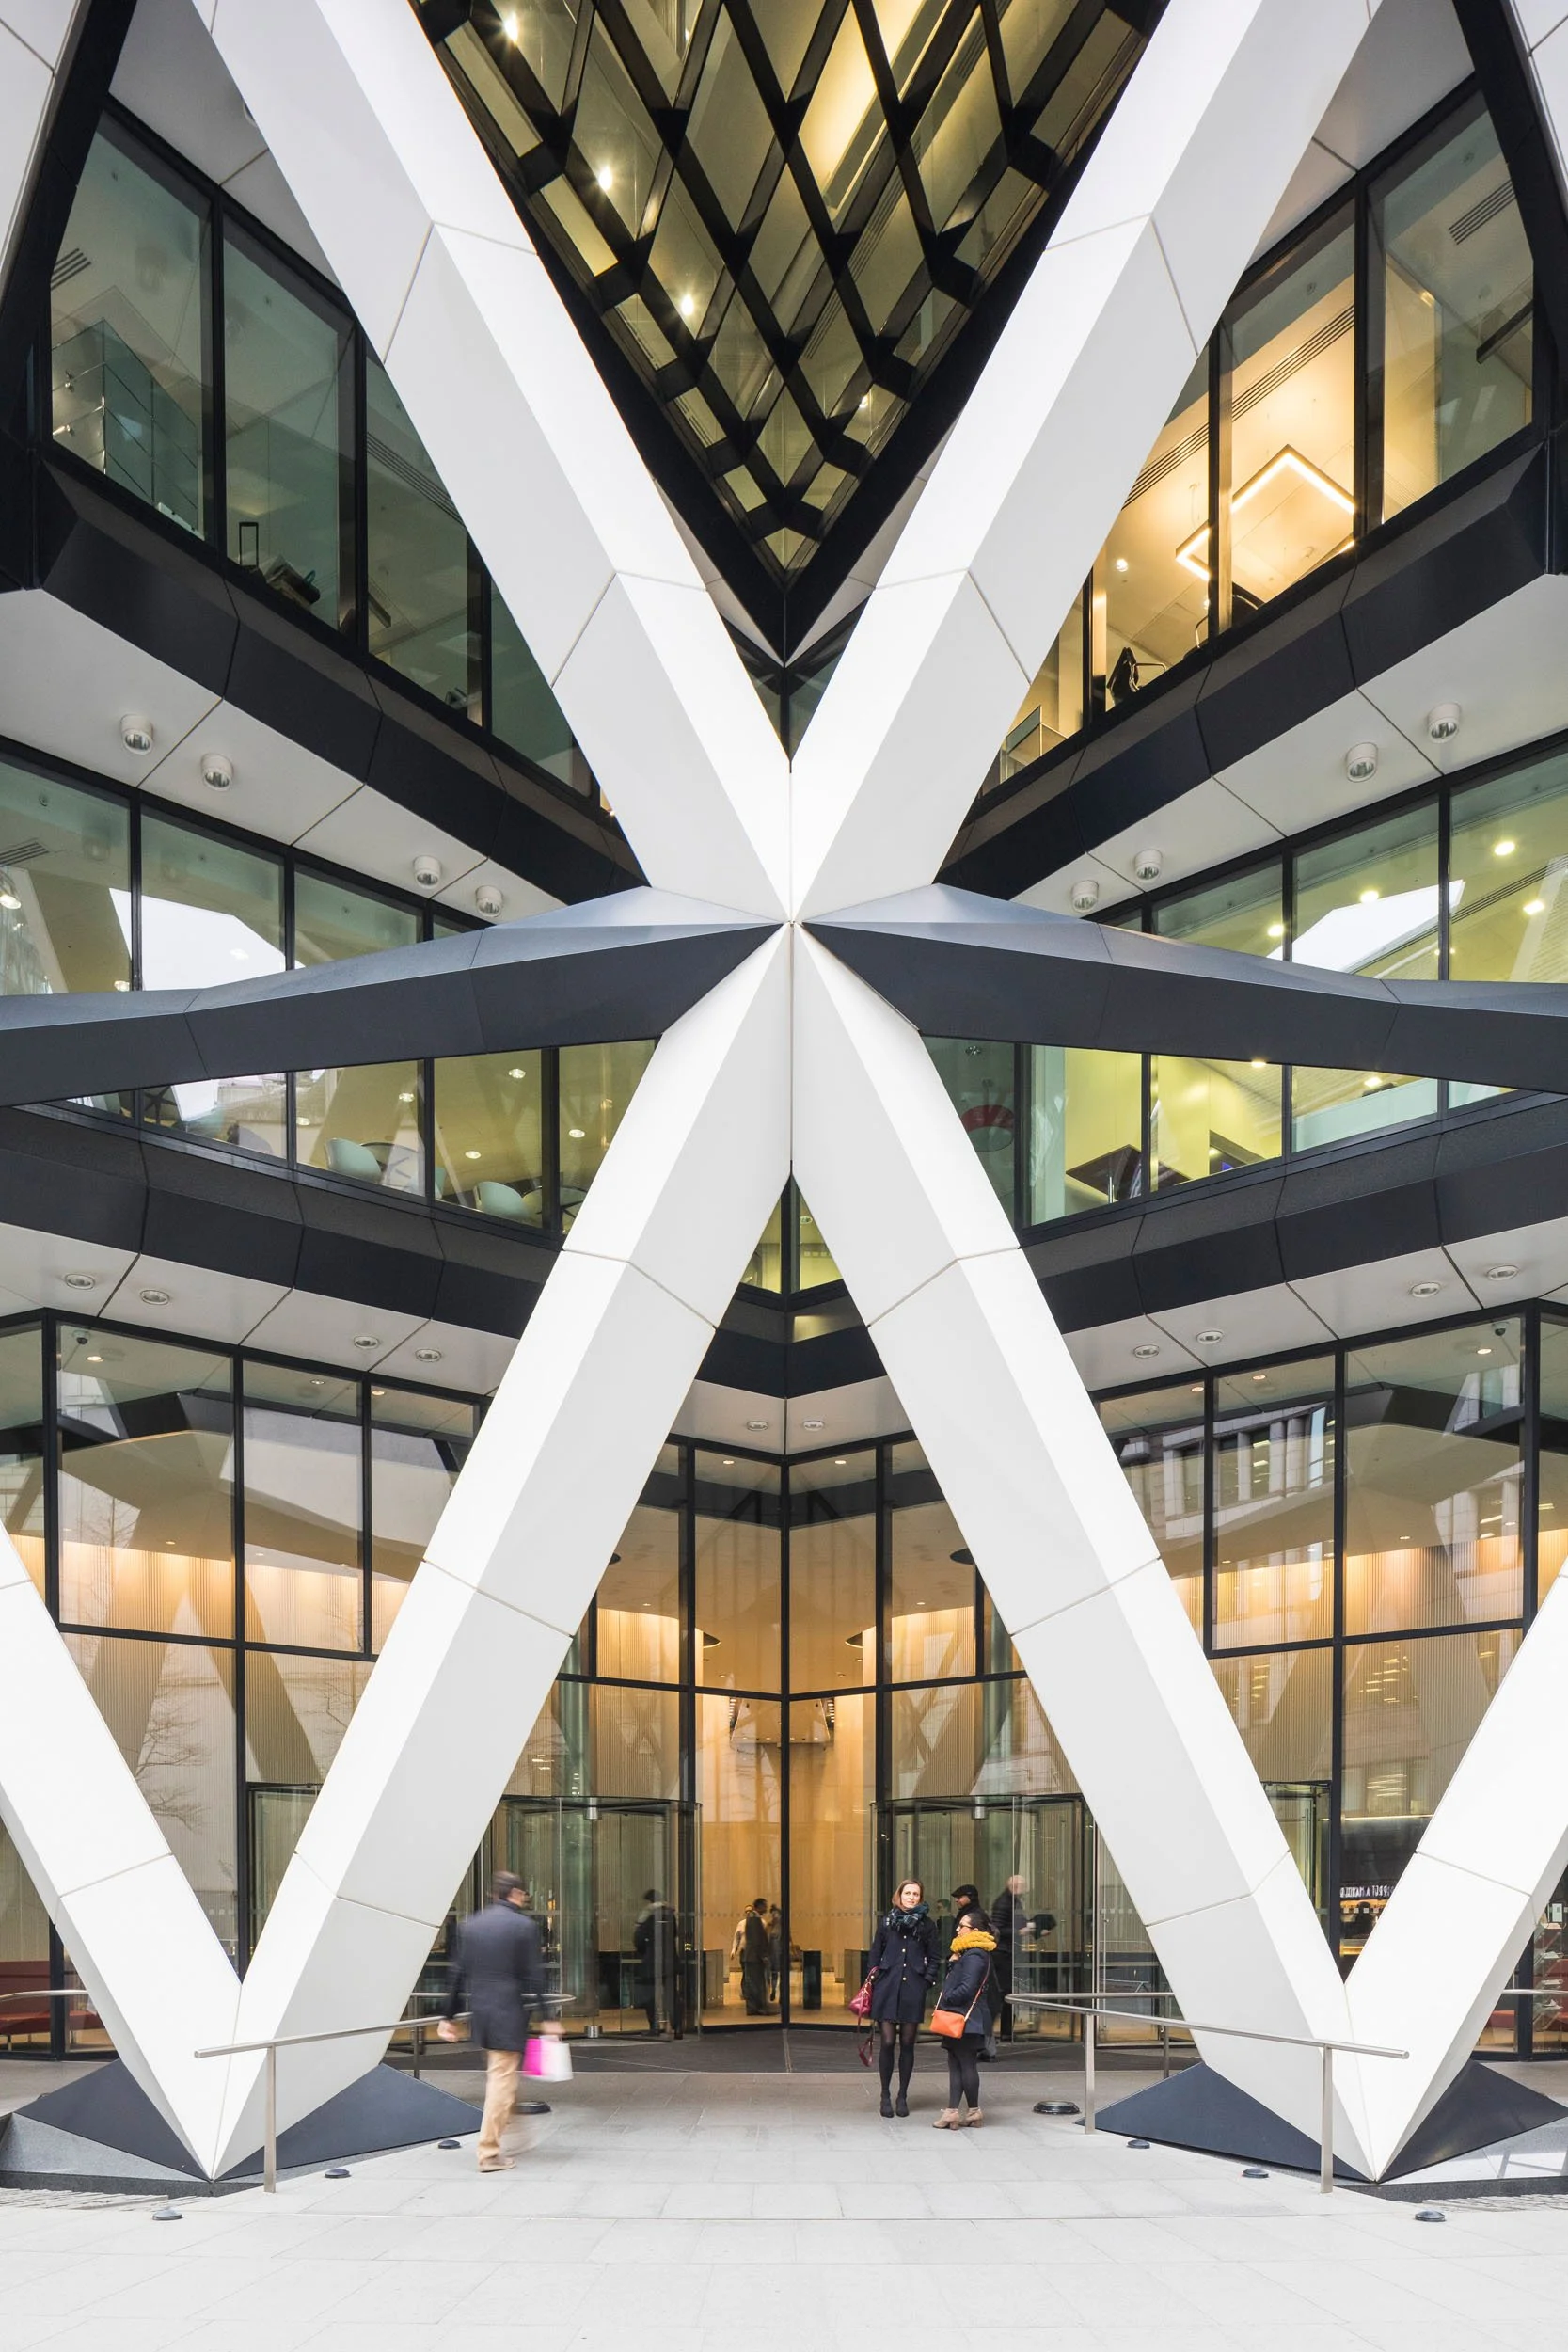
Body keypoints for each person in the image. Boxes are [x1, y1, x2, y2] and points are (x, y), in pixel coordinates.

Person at [437, 1871, 551, 2171]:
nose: (524, 1899)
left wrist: (447, 2016)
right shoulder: (523, 1926)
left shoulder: (471, 1925)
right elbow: (535, 1976)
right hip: (507, 2011)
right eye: (523, 1894)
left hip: (482, 2012)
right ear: (514, 1893)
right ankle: (488, 2152)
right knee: (502, 2078)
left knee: (504, 2073)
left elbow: (456, 1973)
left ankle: (511, 2128)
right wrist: (549, 2018)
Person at [866, 1879, 938, 2117]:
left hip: (912, 1989)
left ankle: (902, 2095)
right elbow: (875, 1952)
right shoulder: (887, 1922)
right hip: (887, 1987)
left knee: (907, 2043)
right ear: (899, 1895)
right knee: (887, 2042)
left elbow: (935, 1957)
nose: (911, 1897)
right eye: (907, 1893)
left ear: (920, 1897)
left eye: (916, 1893)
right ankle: (885, 2094)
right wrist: (874, 1978)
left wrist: (926, 1981)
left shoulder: (927, 1925)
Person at [931, 1907, 997, 2128]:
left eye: (962, 1926)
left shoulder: (975, 1955)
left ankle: (968, 2111)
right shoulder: (972, 1953)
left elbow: (966, 1989)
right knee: (958, 2063)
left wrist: (947, 1996)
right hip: (967, 2018)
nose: (957, 1929)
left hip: (966, 2018)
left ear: (975, 1930)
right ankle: (962, 2112)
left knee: (965, 2064)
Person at [991, 1874, 1055, 2037]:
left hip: (1009, 1952)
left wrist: (1037, 1930)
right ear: (1013, 1886)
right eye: (1021, 1885)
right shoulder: (1004, 1903)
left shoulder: (1014, 1901)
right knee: (1004, 1993)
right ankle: (998, 2032)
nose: (1024, 1889)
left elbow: (1020, 1922)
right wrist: (1020, 1931)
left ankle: (1005, 2032)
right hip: (1003, 1954)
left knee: (1007, 1992)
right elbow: (997, 1929)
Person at [633, 1887, 680, 2037]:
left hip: (652, 1961)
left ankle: (654, 2027)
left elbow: (639, 1939)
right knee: (671, 1995)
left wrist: (644, 1951)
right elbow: (675, 1934)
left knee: (650, 1996)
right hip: (670, 1960)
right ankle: (676, 2027)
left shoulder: (649, 1915)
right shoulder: (671, 1915)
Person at [741, 1896, 771, 2013]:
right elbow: (756, 1940)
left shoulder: (754, 1917)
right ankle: (755, 2007)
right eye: (765, 1906)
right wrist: (763, 1955)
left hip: (754, 1956)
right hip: (754, 1957)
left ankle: (756, 2006)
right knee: (755, 1983)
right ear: (759, 1906)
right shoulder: (754, 1918)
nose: (766, 1909)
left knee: (756, 1982)